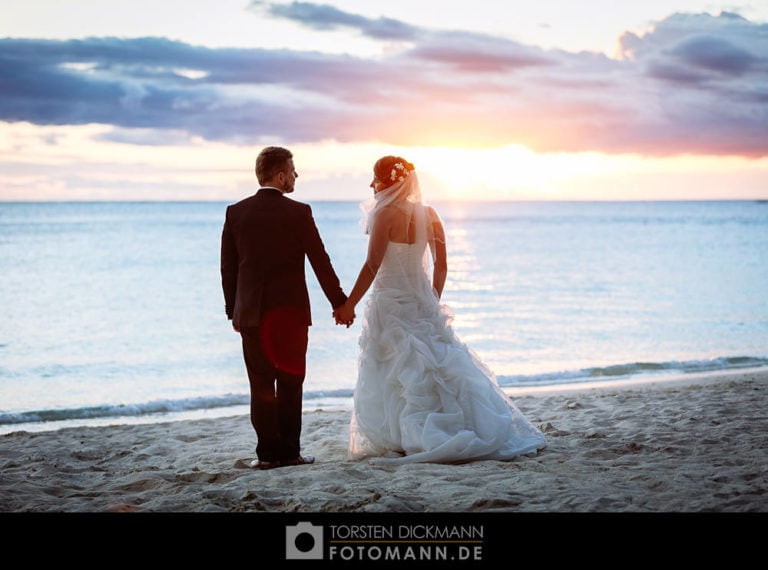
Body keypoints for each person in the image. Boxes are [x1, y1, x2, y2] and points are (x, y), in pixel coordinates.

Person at [334, 156, 546, 464]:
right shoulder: (429, 214)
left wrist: (349, 303)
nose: (371, 185)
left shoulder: (383, 214)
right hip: (421, 301)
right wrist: (430, 299)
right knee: (433, 365)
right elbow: (442, 265)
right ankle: (443, 426)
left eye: (375, 179)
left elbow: (372, 264)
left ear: (389, 182)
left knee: (395, 368)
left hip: (390, 301)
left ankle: (401, 436)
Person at [221, 146, 352, 470]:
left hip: (251, 314)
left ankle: (266, 456)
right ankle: (290, 453)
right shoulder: (299, 212)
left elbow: (229, 268)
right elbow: (320, 261)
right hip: (291, 315)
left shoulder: (236, 212)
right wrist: (340, 303)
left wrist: (232, 311)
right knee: (291, 384)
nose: (296, 176)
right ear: (280, 176)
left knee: (260, 385)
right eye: (293, 171)